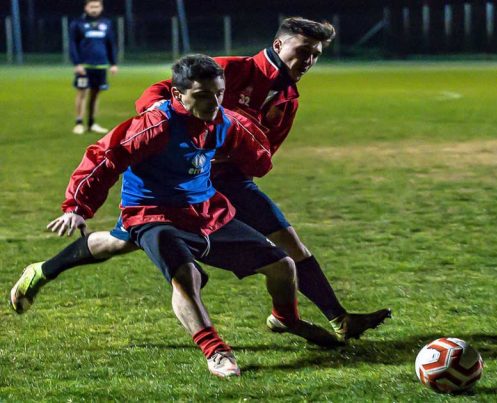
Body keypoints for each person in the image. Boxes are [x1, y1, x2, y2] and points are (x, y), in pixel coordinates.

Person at [10, 17, 390, 343]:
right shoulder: (232, 69)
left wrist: (239, 152)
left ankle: (338, 318)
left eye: (315, 55)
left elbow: (266, 150)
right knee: (119, 242)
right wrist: (172, 132)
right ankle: (42, 270)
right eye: (303, 51)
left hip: (230, 180)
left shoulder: (289, 97)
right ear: (279, 45)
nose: (308, 61)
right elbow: (160, 92)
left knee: (289, 244)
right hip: (177, 179)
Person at [16, 54, 344, 378]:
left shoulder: (224, 121)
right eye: (202, 95)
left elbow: (255, 153)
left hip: (204, 211)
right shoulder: (155, 125)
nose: (213, 103)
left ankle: (286, 318)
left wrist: (257, 159)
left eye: (219, 94)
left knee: (283, 265)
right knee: (186, 276)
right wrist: (76, 207)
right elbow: (105, 157)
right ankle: (215, 351)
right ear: (178, 94)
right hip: (151, 212)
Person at [70, 0, 118, 135]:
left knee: (95, 94)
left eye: (97, 6)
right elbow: (73, 45)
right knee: (82, 93)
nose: (94, 9)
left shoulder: (106, 23)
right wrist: (77, 63)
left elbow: (110, 44)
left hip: (101, 65)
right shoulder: (77, 24)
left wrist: (113, 63)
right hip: (84, 66)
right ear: (86, 7)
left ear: (101, 7)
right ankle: (79, 123)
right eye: (92, 6)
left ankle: (92, 123)